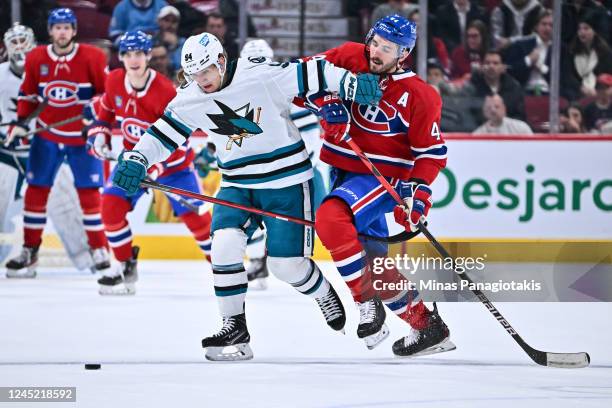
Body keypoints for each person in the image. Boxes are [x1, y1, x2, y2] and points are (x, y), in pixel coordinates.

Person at [111, 32, 382, 360]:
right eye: (195, 74)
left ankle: (323, 292)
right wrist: (138, 158)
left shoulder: (261, 74)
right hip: (237, 185)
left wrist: (350, 84)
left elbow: (317, 72)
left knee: (286, 267)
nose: (202, 79)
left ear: (222, 61)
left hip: (286, 183)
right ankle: (234, 328)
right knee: (223, 246)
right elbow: (161, 134)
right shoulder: (190, 96)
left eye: (207, 71)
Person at [310, 14, 455, 357]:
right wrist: (325, 103)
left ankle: (365, 301)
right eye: (374, 42)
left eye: (386, 49)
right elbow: (298, 82)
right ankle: (428, 327)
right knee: (376, 267)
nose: (375, 52)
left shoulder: (421, 95)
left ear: (403, 54)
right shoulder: (348, 57)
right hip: (343, 172)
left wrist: (418, 193)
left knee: (330, 219)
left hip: (381, 178)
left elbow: (431, 154)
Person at [87, 30, 213, 295]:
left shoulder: (165, 91)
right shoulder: (114, 81)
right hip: (135, 163)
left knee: (197, 221)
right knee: (110, 207)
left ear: (148, 56)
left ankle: (224, 270)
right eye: (128, 54)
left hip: (174, 166)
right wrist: (100, 134)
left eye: (139, 54)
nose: (134, 60)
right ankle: (124, 266)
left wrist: (154, 166)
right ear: (121, 57)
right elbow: (107, 110)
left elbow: (179, 140)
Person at [4, 8, 110, 278]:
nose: (62, 32)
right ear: (50, 31)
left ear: (74, 30)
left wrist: (94, 109)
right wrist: (20, 122)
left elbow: (106, 94)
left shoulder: (92, 57)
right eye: (57, 27)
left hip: (79, 138)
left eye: (66, 27)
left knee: (85, 197)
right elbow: (29, 95)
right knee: (35, 194)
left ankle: (98, 251)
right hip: (37, 140)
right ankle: (29, 251)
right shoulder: (37, 59)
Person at [503, 9, 579, 100]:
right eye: (544, 24)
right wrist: (528, 60)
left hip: (550, 94)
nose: (547, 28)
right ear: (536, 26)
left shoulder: (561, 49)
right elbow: (510, 69)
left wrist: (542, 68)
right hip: (524, 92)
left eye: (551, 25)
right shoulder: (521, 45)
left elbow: (564, 77)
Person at [464, 50, 526, 121]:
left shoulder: (514, 88)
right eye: (487, 63)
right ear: (481, 66)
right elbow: (467, 114)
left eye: (495, 63)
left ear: (503, 67)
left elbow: (520, 116)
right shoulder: (472, 87)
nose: (491, 66)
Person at [568, 13, 612, 99]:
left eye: (586, 28)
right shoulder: (572, 52)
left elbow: (609, 75)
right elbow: (570, 77)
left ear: (594, 31)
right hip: (577, 92)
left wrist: (599, 91)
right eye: (579, 29)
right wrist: (582, 88)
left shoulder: (605, 53)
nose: (582, 32)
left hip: (601, 92)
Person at [153, 5, 186, 74]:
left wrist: (174, 46)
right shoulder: (152, 40)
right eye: (166, 20)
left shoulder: (184, 43)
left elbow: (180, 67)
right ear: (159, 21)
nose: (170, 24)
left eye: (174, 21)